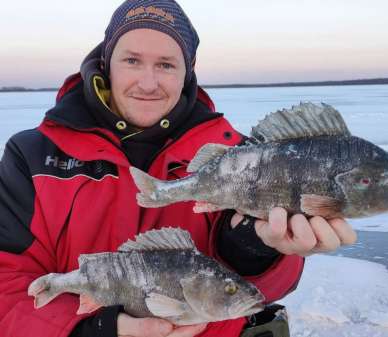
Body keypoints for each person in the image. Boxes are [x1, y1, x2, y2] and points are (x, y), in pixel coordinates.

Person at [0, 1, 357, 337]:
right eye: (132, 61)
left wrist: (256, 250)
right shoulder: (33, 155)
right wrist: (94, 330)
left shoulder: (240, 158)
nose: (148, 82)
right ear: (106, 64)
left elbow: (257, 291)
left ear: (187, 73)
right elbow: (5, 282)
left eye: (167, 64)